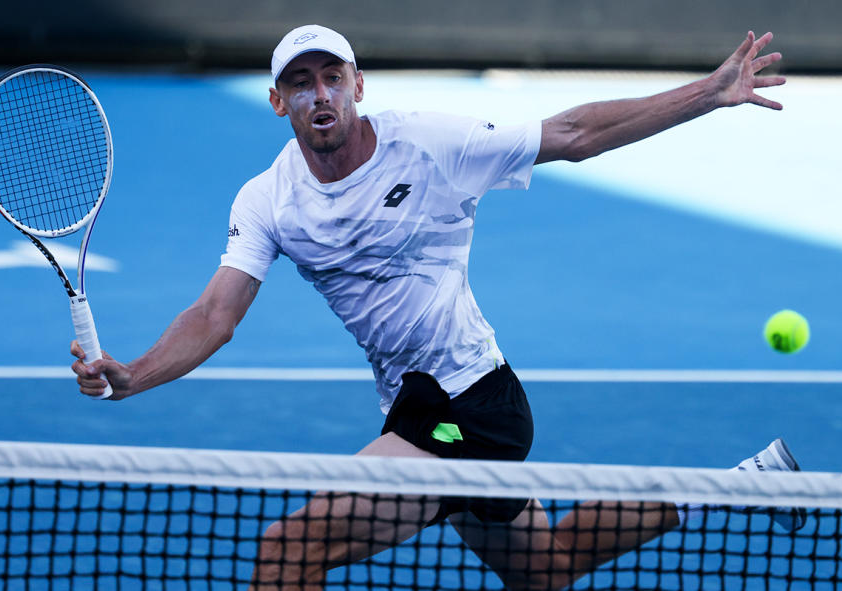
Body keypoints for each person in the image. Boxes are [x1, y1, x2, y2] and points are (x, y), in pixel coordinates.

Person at [71, 24, 801, 590]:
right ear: (277, 101)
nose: (320, 95)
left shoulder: (430, 143)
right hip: (425, 408)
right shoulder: (268, 198)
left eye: (332, 77)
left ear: (358, 84)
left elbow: (575, 136)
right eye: (300, 84)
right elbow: (214, 316)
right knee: (547, 567)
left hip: (468, 404)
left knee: (290, 546)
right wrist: (134, 373)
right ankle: (736, 484)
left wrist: (707, 93)